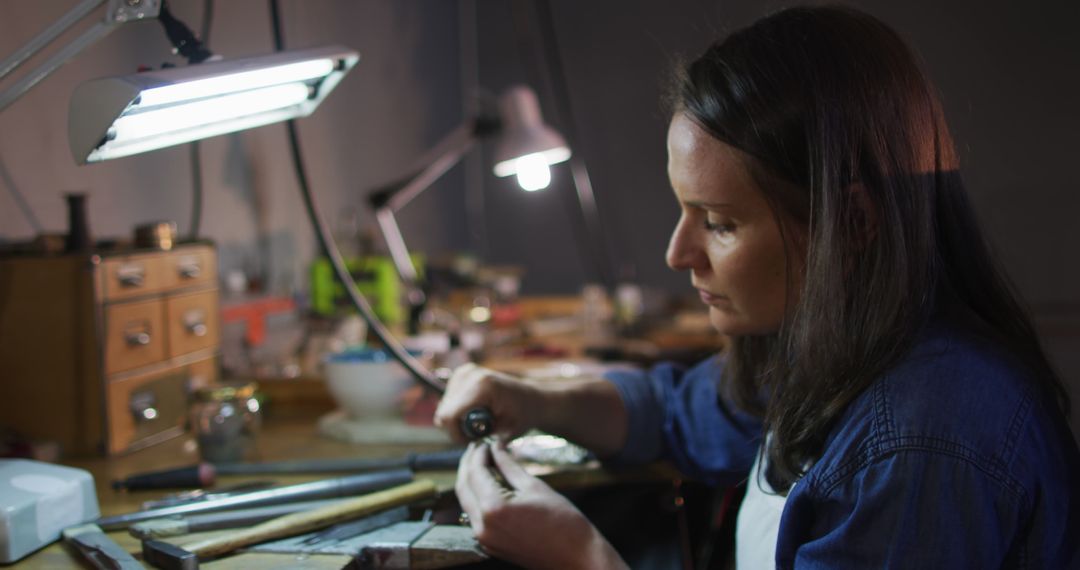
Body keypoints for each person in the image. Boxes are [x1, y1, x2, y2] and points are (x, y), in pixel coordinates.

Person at [435, 5, 1080, 568]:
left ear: (850, 223)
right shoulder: (833, 345)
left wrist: (580, 556)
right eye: (684, 211)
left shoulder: (920, 444)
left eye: (718, 223)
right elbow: (679, 414)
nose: (677, 253)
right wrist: (534, 399)